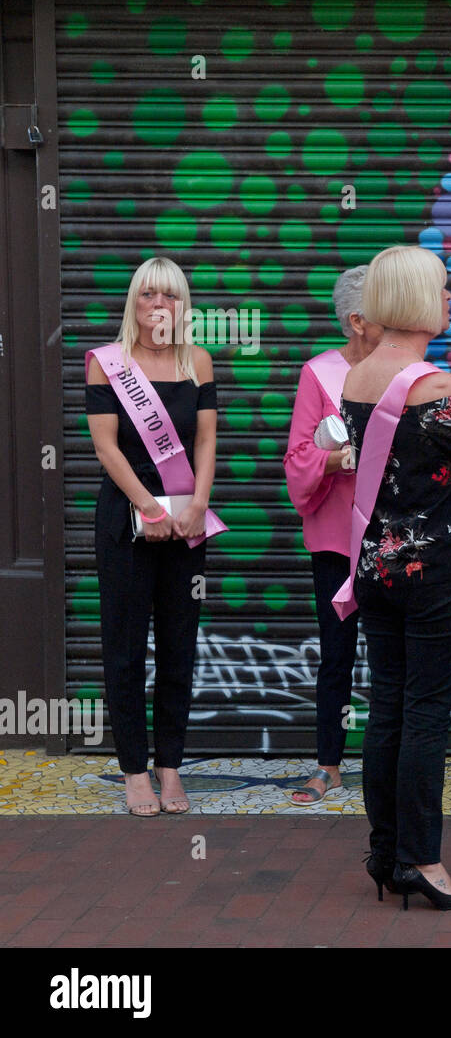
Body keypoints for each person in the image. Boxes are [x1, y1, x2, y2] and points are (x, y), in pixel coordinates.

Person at [340, 245, 451, 909]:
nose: (450, 299)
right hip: (438, 574)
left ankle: (385, 853)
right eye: (442, 289)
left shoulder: (357, 379)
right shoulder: (437, 389)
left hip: (376, 568)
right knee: (425, 714)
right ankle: (422, 860)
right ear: (416, 299)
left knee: (387, 707)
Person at [85, 257, 218, 816]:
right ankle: (134, 771)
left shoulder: (199, 362)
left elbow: (207, 441)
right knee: (123, 650)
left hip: (187, 525)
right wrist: (147, 506)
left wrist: (198, 504)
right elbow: (105, 446)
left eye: (169, 296)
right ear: (133, 303)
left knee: (179, 649)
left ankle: (170, 769)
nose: (158, 305)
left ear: (182, 306)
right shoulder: (107, 364)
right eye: (148, 295)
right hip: (126, 523)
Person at [282, 267, 385, 805]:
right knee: (337, 653)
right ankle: (328, 765)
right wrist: (338, 457)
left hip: (394, 536)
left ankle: (393, 764)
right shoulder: (318, 373)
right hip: (336, 539)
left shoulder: (406, 369)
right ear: (357, 321)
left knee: (399, 654)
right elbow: (298, 457)